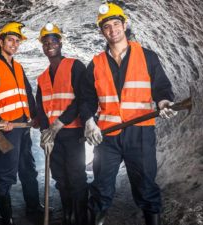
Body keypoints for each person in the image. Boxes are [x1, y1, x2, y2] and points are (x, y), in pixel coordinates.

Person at [78, 2, 178, 225]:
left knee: (145, 186)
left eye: (116, 23)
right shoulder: (95, 64)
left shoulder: (148, 57)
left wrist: (163, 102)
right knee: (101, 188)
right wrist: (88, 122)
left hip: (139, 133)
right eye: (107, 27)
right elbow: (87, 99)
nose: (112, 30)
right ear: (101, 31)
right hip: (108, 136)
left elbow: (161, 87)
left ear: (125, 24)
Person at [0, 21, 45, 225]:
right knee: (5, 173)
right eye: (10, 40)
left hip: (23, 126)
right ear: (1, 42)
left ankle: (34, 208)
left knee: (28, 168)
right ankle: (7, 217)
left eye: (17, 41)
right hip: (7, 129)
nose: (14, 44)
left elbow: (26, 93)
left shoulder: (17, 66)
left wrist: (34, 115)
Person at [36, 23, 88, 225]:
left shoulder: (75, 66)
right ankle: (68, 215)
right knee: (60, 177)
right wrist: (44, 133)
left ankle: (81, 218)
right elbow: (41, 109)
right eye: (46, 42)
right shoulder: (41, 78)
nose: (50, 45)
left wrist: (60, 122)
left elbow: (81, 98)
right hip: (53, 137)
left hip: (73, 133)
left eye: (53, 41)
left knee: (76, 177)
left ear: (60, 43)